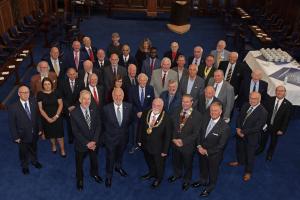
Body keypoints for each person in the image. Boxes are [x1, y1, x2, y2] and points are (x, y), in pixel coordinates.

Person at [193, 102, 231, 197]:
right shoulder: (205, 119)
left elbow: (221, 145)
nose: (213, 112)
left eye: (215, 110)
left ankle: (210, 186)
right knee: (203, 167)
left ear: (220, 112)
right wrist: (199, 146)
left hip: (214, 155)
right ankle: (203, 180)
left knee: (213, 171)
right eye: (211, 110)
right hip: (201, 150)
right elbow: (199, 134)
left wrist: (207, 151)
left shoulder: (225, 127)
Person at [229, 92, 268, 181]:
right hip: (240, 134)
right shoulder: (246, 105)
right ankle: (240, 161)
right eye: (251, 98)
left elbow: (257, 127)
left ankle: (248, 172)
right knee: (239, 149)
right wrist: (238, 128)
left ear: (259, 100)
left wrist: (243, 131)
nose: (252, 100)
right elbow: (239, 117)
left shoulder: (263, 112)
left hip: (251, 137)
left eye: (255, 99)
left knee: (250, 156)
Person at [168, 94, 202, 191]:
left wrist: (183, 141)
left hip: (188, 146)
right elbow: (172, 127)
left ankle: (187, 180)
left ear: (192, 102)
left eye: (187, 102)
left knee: (188, 164)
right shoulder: (176, 110)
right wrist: (174, 139)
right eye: (183, 101)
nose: (185, 104)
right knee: (176, 161)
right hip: (175, 143)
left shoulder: (197, 115)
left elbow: (196, 134)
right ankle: (177, 174)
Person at [70, 90, 102, 191]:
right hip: (81, 144)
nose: (86, 101)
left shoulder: (94, 108)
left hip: (94, 142)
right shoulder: (74, 113)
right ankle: (80, 179)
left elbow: (98, 125)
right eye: (84, 98)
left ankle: (94, 174)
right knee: (79, 163)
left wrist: (94, 141)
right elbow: (75, 132)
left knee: (94, 159)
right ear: (80, 100)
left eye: (88, 99)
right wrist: (87, 143)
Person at [8, 85, 43, 175]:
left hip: (34, 132)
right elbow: (12, 124)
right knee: (23, 152)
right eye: (23, 92)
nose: (26, 94)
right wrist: (15, 137)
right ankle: (25, 166)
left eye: (27, 92)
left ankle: (34, 161)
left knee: (34, 148)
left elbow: (38, 116)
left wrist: (39, 128)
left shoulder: (34, 102)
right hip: (21, 135)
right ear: (19, 94)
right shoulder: (13, 107)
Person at [138, 98, 172, 188]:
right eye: (154, 105)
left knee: (159, 164)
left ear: (162, 106)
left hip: (159, 148)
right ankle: (151, 173)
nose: (156, 107)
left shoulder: (167, 118)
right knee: (149, 161)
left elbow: (168, 136)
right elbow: (140, 127)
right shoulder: (146, 112)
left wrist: (165, 150)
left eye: (158, 105)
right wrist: (139, 140)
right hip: (145, 145)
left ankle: (159, 178)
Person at [102, 88, 133, 187]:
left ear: (123, 96)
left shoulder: (129, 107)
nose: (118, 97)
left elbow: (130, 121)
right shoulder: (106, 109)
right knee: (110, 158)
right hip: (110, 139)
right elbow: (102, 124)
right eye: (116, 95)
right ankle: (109, 176)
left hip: (123, 138)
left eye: (120, 95)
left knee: (120, 155)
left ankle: (118, 167)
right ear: (112, 96)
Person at [256, 85, 293, 161]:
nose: (279, 92)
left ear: (285, 93)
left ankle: (270, 154)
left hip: (277, 128)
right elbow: (264, 112)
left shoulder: (288, 105)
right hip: (266, 125)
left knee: (273, 142)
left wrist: (282, 130)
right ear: (275, 92)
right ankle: (260, 149)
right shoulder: (269, 100)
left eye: (281, 91)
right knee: (263, 139)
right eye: (278, 90)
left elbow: (286, 119)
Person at [37, 78, 65, 157]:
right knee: (51, 134)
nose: (47, 86)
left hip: (57, 116)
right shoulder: (40, 94)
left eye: (48, 84)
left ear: (51, 84)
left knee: (60, 135)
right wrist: (47, 118)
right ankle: (53, 145)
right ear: (43, 85)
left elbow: (61, 104)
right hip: (46, 117)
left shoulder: (57, 92)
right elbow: (40, 108)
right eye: (45, 84)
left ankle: (62, 149)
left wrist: (56, 116)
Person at [128, 73, 155, 153]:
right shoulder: (132, 89)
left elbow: (152, 103)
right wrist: (137, 112)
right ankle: (134, 145)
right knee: (135, 128)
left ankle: (145, 145)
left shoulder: (150, 89)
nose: (143, 82)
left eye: (144, 80)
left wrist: (144, 112)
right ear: (138, 80)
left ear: (147, 81)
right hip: (135, 114)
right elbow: (130, 103)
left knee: (146, 130)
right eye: (141, 80)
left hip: (146, 115)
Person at [60, 68, 83, 144]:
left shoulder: (80, 82)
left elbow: (81, 96)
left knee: (78, 124)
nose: (72, 76)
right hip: (67, 108)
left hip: (78, 107)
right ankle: (70, 137)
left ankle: (78, 137)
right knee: (69, 124)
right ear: (67, 75)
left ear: (76, 74)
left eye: (74, 74)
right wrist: (68, 107)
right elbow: (62, 96)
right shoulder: (63, 83)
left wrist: (75, 106)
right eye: (70, 74)